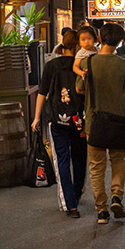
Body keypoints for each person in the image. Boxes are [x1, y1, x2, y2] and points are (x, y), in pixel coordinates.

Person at [81, 23, 125, 224]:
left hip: (94, 123)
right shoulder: (124, 64)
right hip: (118, 121)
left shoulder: (88, 62)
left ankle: (102, 211)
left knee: (96, 167)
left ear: (100, 39)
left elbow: (79, 89)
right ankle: (116, 197)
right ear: (119, 41)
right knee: (118, 161)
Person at [32, 30, 87, 217]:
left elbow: (42, 92)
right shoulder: (81, 65)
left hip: (56, 119)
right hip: (79, 119)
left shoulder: (51, 65)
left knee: (61, 160)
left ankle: (71, 205)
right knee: (79, 158)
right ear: (77, 46)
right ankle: (77, 193)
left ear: (62, 45)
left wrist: (37, 117)